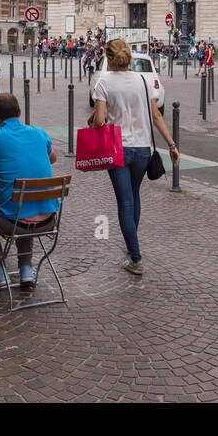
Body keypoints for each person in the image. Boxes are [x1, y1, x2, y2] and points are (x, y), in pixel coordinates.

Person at [89, 39, 179, 277]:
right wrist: (171, 144)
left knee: (125, 202)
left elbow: (99, 122)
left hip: (117, 148)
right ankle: (132, 247)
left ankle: (136, 258)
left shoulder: (104, 83)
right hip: (142, 148)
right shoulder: (143, 80)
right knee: (134, 196)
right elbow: (157, 116)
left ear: (108, 59)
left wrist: (105, 114)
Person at [0, 93, 56, 291]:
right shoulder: (39, 133)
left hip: (15, 222)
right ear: (20, 112)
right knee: (23, 205)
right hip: (49, 219)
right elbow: (53, 158)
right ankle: (26, 271)